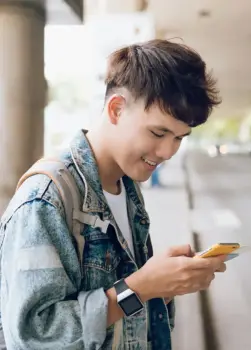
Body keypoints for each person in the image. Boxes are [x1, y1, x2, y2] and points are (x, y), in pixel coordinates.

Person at [0, 39, 225, 350]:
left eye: (180, 138)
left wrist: (164, 284)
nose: (168, 151)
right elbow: (32, 334)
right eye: (158, 133)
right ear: (116, 109)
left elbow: (125, 311)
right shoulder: (45, 199)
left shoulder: (127, 186)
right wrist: (142, 288)